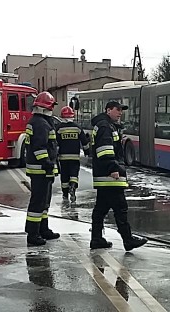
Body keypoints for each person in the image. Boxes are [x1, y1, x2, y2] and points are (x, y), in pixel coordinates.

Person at [89, 101, 147, 251]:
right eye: (117, 109)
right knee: (120, 208)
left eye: (122, 110)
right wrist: (113, 168)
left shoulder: (106, 125)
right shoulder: (105, 126)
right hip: (110, 176)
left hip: (104, 176)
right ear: (108, 110)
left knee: (101, 209)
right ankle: (128, 240)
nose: (120, 112)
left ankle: (96, 239)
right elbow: (105, 151)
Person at [24, 91, 60, 246]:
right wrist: (46, 162)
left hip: (42, 169)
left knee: (44, 202)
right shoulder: (41, 123)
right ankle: (33, 234)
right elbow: (40, 147)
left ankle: (43, 229)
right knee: (38, 203)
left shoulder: (40, 121)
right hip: (41, 169)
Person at [56, 106, 90, 204]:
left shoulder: (59, 128)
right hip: (75, 157)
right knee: (74, 174)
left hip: (63, 157)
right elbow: (84, 142)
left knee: (64, 176)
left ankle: (65, 194)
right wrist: (87, 152)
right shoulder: (77, 127)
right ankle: (73, 187)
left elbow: (55, 142)